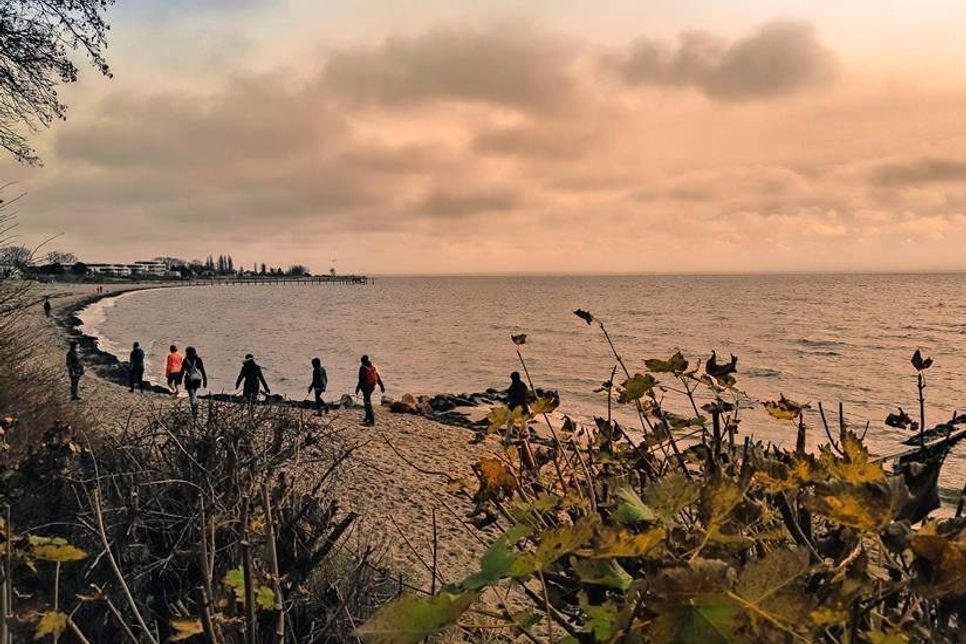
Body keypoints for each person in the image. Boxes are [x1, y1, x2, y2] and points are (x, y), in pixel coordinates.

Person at [355, 355, 385, 426]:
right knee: (366, 401)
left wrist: (357, 388)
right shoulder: (372, 367)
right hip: (372, 387)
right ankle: (367, 417)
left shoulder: (362, 368)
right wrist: (382, 387)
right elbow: (378, 377)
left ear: (362, 361)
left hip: (366, 388)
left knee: (368, 403)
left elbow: (361, 379)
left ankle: (371, 421)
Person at [180, 346, 208, 412]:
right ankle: (195, 404)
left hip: (189, 380)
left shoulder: (185, 360)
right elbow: (202, 370)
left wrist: (179, 380)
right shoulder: (198, 360)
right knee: (194, 392)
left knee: (191, 394)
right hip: (197, 379)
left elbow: (182, 371)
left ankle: (194, 406)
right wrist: (205, 380)